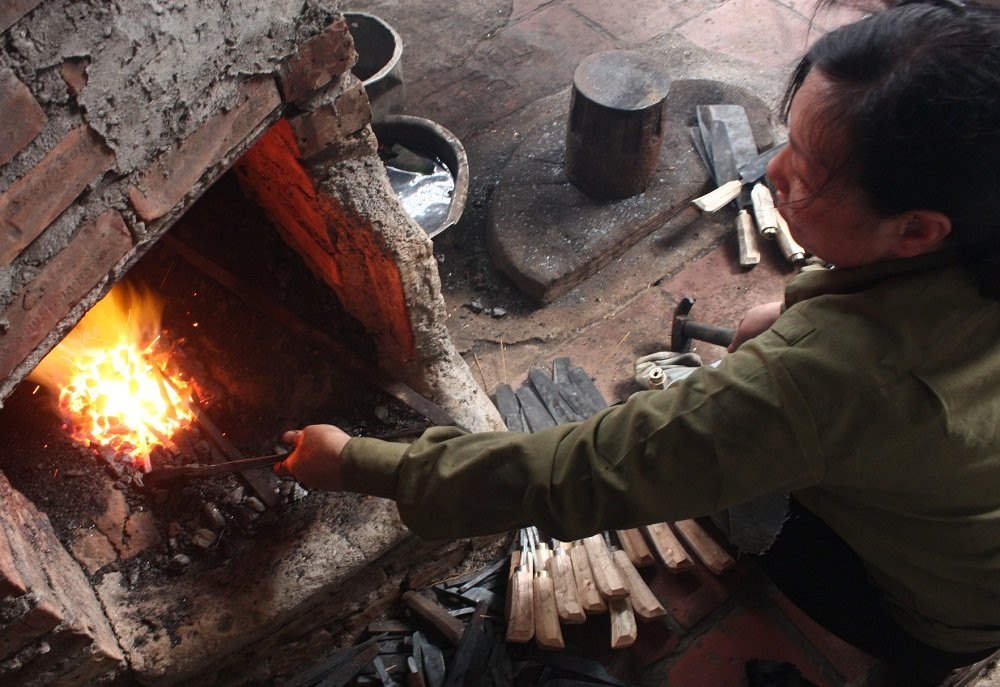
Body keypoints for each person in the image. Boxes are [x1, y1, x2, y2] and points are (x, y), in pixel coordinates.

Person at [276, 1, 1000, 683]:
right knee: (758, 342)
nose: (770, 174)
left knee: (730, 493)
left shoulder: (833, 375)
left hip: (941, 614)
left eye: (805, 175)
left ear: (916, 230)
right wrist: (796, 305)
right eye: (788, 142)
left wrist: (359, 464)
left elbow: (583, 471)